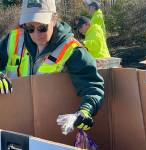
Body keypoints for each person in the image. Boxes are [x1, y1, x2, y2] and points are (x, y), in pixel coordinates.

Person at [0, 0, 104, 131]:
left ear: (54, 20)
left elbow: (92, 86)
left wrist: (85, 111)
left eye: (42, 27)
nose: (36, 35)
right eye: (30, 28)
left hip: (51, 129)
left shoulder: (72, 50)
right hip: (15, 124)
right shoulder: (13, 39)